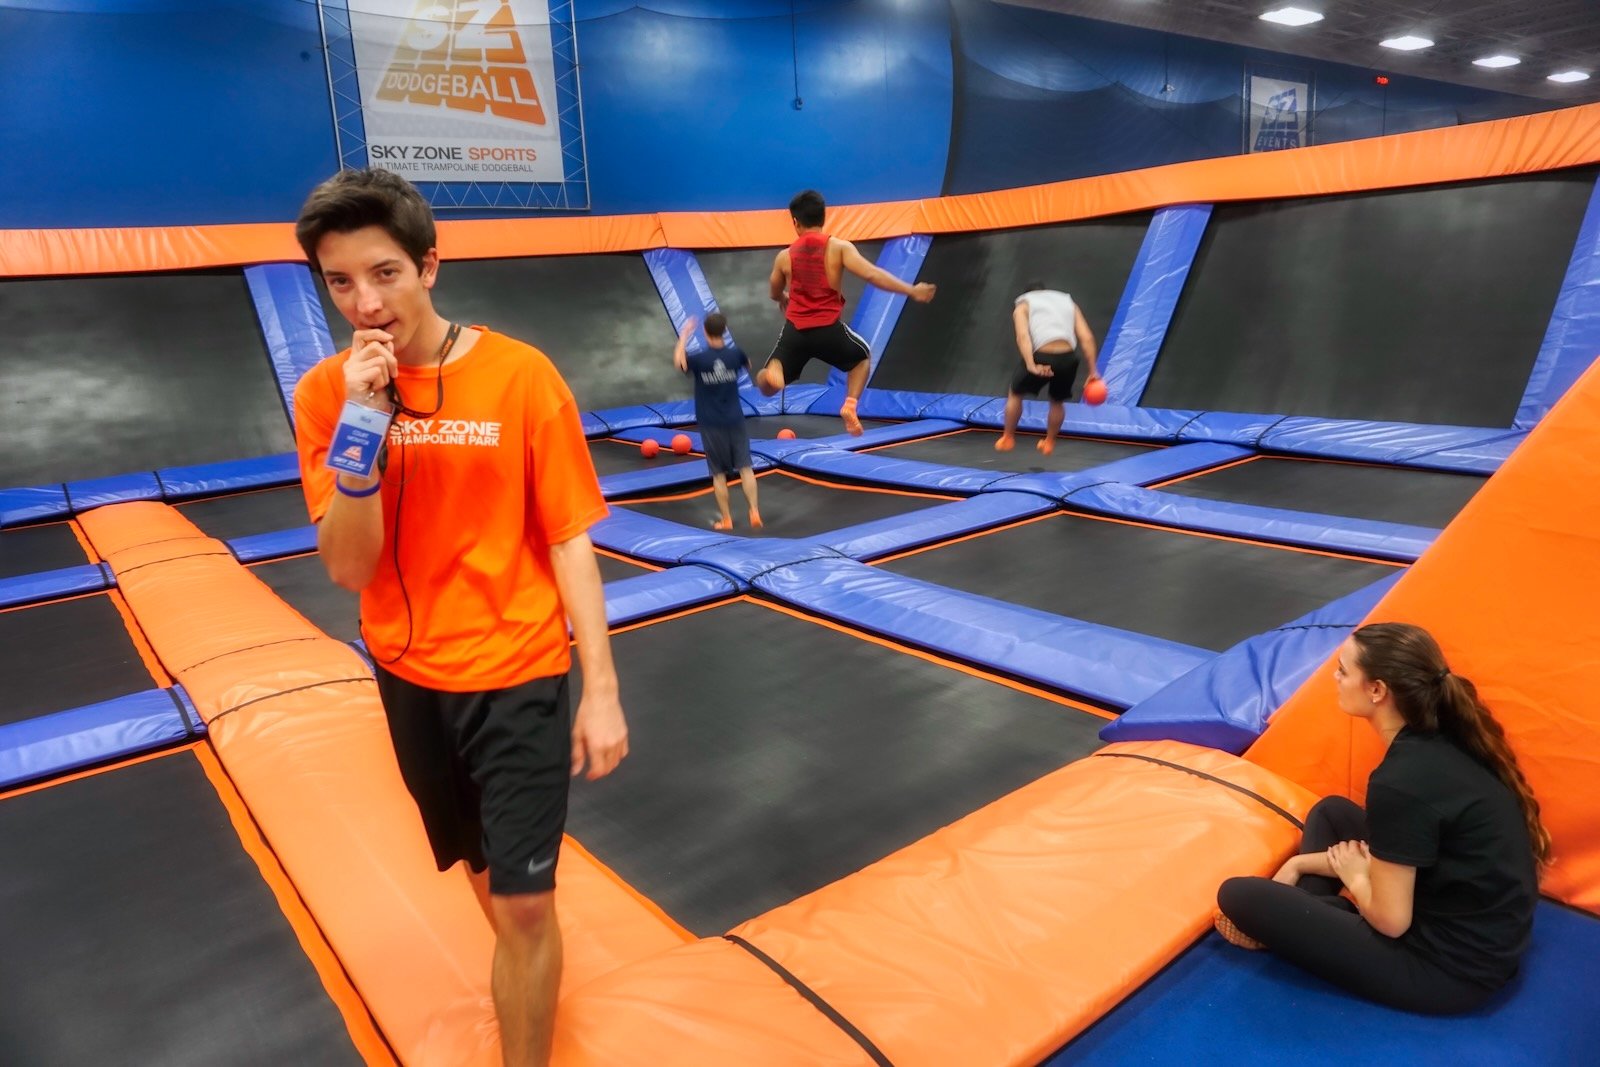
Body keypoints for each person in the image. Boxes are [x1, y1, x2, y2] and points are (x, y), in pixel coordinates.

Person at [291, 168, 629, 1067]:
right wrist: (365, 420)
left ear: (430, 265)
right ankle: (530, 962)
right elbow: (347, 565)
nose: (365, 302)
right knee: (485, 877)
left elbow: (569, 540)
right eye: (340, 282)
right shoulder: (328, 396)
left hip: (518, 669)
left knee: (523, 902)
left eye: (385, 273)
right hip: (408, 677)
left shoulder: (522, 375)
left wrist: (601, 690)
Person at [1215, 622, 1549, 1015]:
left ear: (1377, 690)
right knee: (1332, 813)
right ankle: (1312, 916)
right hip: (1473, 924)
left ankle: (1307, 919)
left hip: (1447, 973)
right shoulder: (1442, 737)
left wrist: (1356, 878)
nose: (1335, 679)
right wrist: (1302, 863)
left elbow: (1391, 922)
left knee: (1238, 894)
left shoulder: (1401, 781)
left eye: (1343, 671)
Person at [760, 189, 936, 436]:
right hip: (828, 329)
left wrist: (782, 298)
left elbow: (774, 291)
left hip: (795, 331)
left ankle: (773, 372)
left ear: (795, 222)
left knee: (770, 382)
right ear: (824, 217)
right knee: (862, 358)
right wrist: (911, 290)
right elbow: (872, 274)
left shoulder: (784, 256)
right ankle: (850, 405)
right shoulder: (839, 248)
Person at [673, 312, 761, 530]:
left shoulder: (699, 359)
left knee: (719, 474)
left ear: (705, 332)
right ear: (724, 331)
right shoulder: (735, 355)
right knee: (745, 467)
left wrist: (684, 335)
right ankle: (755, 512)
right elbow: (747, 364)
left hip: (711, 422)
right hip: (735, 419)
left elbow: (679, 363)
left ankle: (727, 519)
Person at [997, 283, 1101, 456]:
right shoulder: (1068, 302)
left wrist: (1031, 365)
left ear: (1027, 293)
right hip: (1068, 358)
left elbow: (1023, 336)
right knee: (1057, 402)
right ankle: (1049, 442)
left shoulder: (1023, 305)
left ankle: (1008, 437)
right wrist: (1093, 371)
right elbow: (1087, 337)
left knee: (1015, 394)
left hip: (1042, 356)